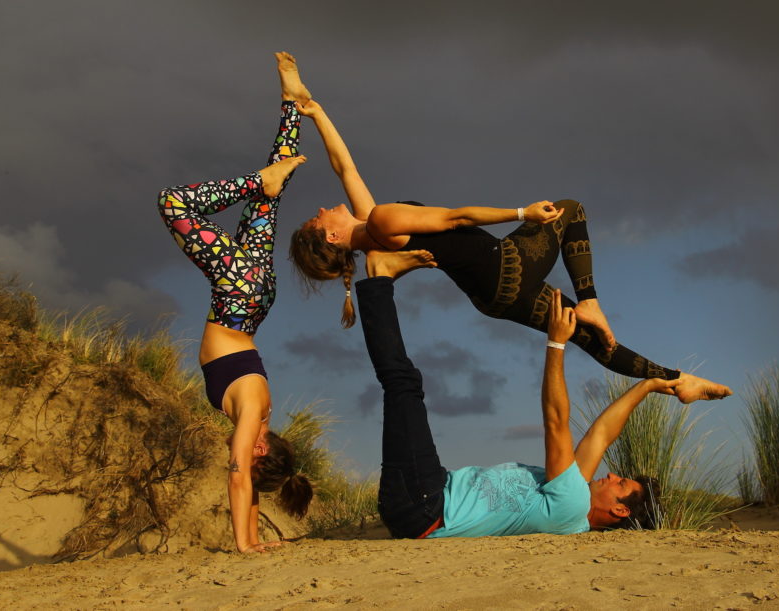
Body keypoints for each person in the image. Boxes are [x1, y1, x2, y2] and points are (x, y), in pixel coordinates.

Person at [289, 97, 718, 388]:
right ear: (329, 234)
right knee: (570, 209)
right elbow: (456, 217)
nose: (324, 207)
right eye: (318, 216)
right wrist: (521, 214)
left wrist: (317, 114)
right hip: (505, 265)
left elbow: (344, 168)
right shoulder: (382, 219)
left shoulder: (375, 240)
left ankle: (675, 382)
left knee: (588, 338)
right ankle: (590, 299)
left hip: (492, 298)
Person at [355, 251, 732, 538]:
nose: (612, 475)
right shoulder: (570, 496)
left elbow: (556, 422)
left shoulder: (571, 504)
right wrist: (648, 385)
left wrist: (555, 344)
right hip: (427, 496)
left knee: (404, 383)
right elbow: (602, 434)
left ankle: (379, 278)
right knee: (405, 384)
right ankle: (381, 277)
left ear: (619, 512)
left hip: (425, 505)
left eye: (620, 485)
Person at [156, 52, 314, 553]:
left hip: (254, 300)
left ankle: (292, 105)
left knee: (269, 202)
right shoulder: (251, 415)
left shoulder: (261, 411)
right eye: (250, 455)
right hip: (239, 296)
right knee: (174, 203)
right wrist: (243, 545)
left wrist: (251, 538)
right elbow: (239, 478)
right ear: (262, 448)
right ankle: (258, 177)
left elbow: (248, 485)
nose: (241, 454)